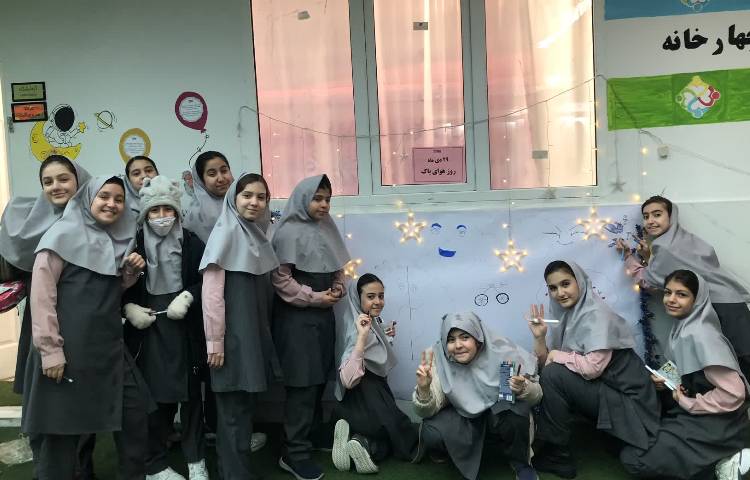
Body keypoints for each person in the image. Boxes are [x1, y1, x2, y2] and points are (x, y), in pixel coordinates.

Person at [22, 176, 151, 479]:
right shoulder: (60, 236)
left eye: (119, 199)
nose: (112, 204)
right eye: (104, 196)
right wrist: (51, 352)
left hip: (109, 350)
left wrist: (128, 275)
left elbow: (102, 295)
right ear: (88, 199)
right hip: (67, 351)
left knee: (135, 416)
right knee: (60, 436)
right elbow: (41, 298)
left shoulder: (116, 242)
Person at [530, 260, 660, 479]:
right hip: (610, 389)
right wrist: (540, 338)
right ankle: (563, 448)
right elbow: (548, 364)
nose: (560, 293)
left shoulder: (596, 314)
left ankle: (558, 456)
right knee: (553, 374)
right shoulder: (568, 315)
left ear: (579, 282)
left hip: (631, 402)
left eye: (565, 284)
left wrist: (556, 355)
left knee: (553, 376)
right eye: (553, 288)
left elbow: (591, 369)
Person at [620, 269, 750, 480]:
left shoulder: (702, 336)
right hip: (702, 412)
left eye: (681, 294)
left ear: (697, 299)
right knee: (636, 442)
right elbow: (691, 370)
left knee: (635, 459)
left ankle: (723, 465)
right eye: (667, 292)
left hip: (719, 423)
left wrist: (687, 402)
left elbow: (734, 393)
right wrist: (667, 380)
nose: (671, 299)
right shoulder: (685, 327)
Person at [122, 176, 209, 480]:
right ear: (145, 214)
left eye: (167, 209)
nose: (162, 216)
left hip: (185, 331)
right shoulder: (133, 245)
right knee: (155, 399)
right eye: (155, 211)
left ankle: (196, 460)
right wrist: (128, 308)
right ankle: (155, 464)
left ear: (177, 212)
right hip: (149, 335)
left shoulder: (192, 242)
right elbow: (115, 285)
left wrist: (188, 296)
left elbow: (208, 281)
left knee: (192, 397)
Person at [201, 173, 282, 479]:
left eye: (261, 197)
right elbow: (211, 297)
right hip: (229, 342)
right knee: (233, 415)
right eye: (247, 195)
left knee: (243, 411)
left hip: (250, 339)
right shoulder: (224, 235)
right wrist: (215, 343)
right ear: (233, 199)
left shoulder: (256, 236)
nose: (254, 202)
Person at [616, 195, 750, 378]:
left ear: (671, 216)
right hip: (733, 301)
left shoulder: (664, 246)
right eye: (646, 217)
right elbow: (678, 272)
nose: (650, 221)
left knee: (733, 364)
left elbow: (649, 281)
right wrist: (650, 257)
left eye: (657, 214)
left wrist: (628, 257)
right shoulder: (686, 239)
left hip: (719, 307)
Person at [271, 174, 350, 480]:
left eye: (327, 199)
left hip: (322, 317)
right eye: (317, 198)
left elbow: (337, 267)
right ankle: (293, 453)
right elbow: (281, 279)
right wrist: (315, 298)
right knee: (302, 384)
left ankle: (309, 436)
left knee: (317, 380)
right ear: (303, 199)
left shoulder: (327, 227)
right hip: (296, 319)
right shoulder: (287, 231)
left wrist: (338, 286)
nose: (324, 204)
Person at [413, 312, 540, 480]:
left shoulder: (501, 353)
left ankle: (521, 462)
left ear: (478, 338)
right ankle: (447, 451)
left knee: (515, 410)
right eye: (451, 340)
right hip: (463, 417)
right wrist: (423, 389)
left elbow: (537, 397)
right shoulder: (439, 358)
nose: (458, 345)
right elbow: (426, 411)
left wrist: (523, 388)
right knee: (431, 430)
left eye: (465, 337)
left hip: (496, 416)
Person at [331, 274, 417, 474]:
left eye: (381, 296)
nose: (378, 301)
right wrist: (362, 338)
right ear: (357, 298)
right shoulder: (358, 329)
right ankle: (364, 442)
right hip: (367, 397)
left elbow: (374, 354)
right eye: (371, 296)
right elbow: (348, 379)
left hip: (356, 401)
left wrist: (384, 336)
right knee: (400, 433)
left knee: (388, 434)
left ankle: (359, 441)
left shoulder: (364, 320)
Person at [184, 151, 234, 243]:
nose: (221, 178)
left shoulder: (242, 202)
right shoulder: (197, 214)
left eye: (224, 171)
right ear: (201, 180)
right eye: (212, 174)